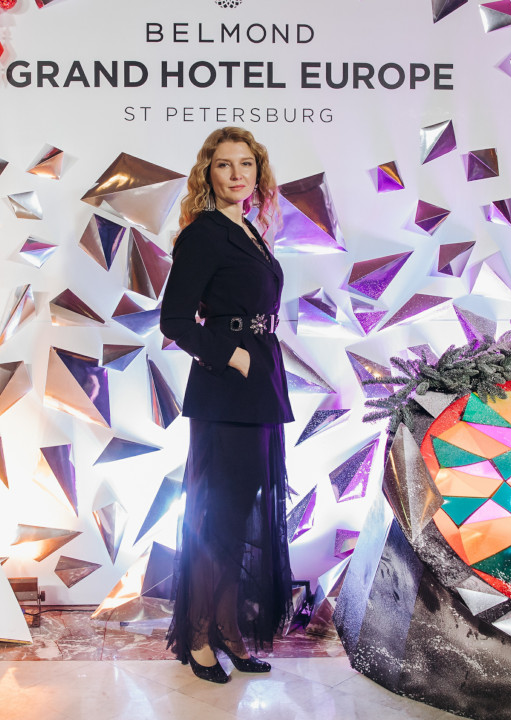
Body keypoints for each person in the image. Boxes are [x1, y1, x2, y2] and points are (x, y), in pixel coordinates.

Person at [160, 127, 295, 684]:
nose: (236, 174)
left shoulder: (251, 231)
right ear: (208, 173)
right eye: (224, 165)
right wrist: (231, 354)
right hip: (226, 389)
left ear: (258, 174)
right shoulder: (204, 233)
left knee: (239, 517)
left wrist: (253, 360)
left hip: (260, 386)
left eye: (246, 164)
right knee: (216, 520)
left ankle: (229, 629)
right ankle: (197, 636)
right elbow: (174, 320)